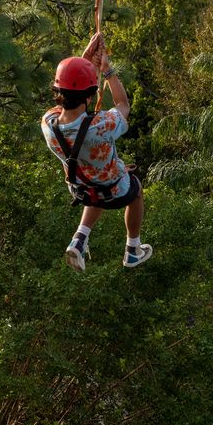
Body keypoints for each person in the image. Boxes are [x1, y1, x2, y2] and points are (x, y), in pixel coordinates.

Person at [41, 33, 152, 271]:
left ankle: (79, 240)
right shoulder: (102, 126)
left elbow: (67, 99)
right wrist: (107, 71)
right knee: (136, 190)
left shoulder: (48, 124)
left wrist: (84, 64)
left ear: (58, 91)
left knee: (94, 183)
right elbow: (123, 104)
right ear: (91, 96)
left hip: (81, 188)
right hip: (114, 189)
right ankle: (133, 248)